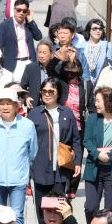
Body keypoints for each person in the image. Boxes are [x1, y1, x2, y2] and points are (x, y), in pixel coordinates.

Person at [0, 89, 37, 224]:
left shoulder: (27, 125)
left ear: (16, 106)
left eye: (8, 103)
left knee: (17, 216)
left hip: (18, 180)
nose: (5, 107)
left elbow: (32, 151)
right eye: (1, 104)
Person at [28, 77, 82, 207]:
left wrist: (78, 161)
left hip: (61, 168)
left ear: (58, 93)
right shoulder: (34, 113)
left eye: (51, 91)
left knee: (58, 208)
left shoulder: (67, 113)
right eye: (44, 91)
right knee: (42, 208)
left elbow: (75, 139)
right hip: (40, 168)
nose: (47, 94)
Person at [83, 87, 112, 224]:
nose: (95, 104)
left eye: (98, 101)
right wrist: (98, 154)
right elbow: (87, 140)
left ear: (108, 101)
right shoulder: (92, 118)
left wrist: (110, 156)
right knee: (91, 207)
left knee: (110, 211)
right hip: (94, 169)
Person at [0, 0, 42, 81]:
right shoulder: (5, 25)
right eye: (18, 10)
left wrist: (31, 20)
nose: (21, 13)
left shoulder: (29, 24)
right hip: (11, 64)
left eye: (24, 11)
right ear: (14, 10)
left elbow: (38, 37)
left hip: (28, 62)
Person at [21, 40, 54, 109]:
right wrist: (26, 97)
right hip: (34, 106)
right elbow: (22, 87)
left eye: (44, 53)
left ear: (51, 54)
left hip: (52, 105)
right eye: (39, 52)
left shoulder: (56, 68)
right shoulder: (30, 68)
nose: (41, 56)